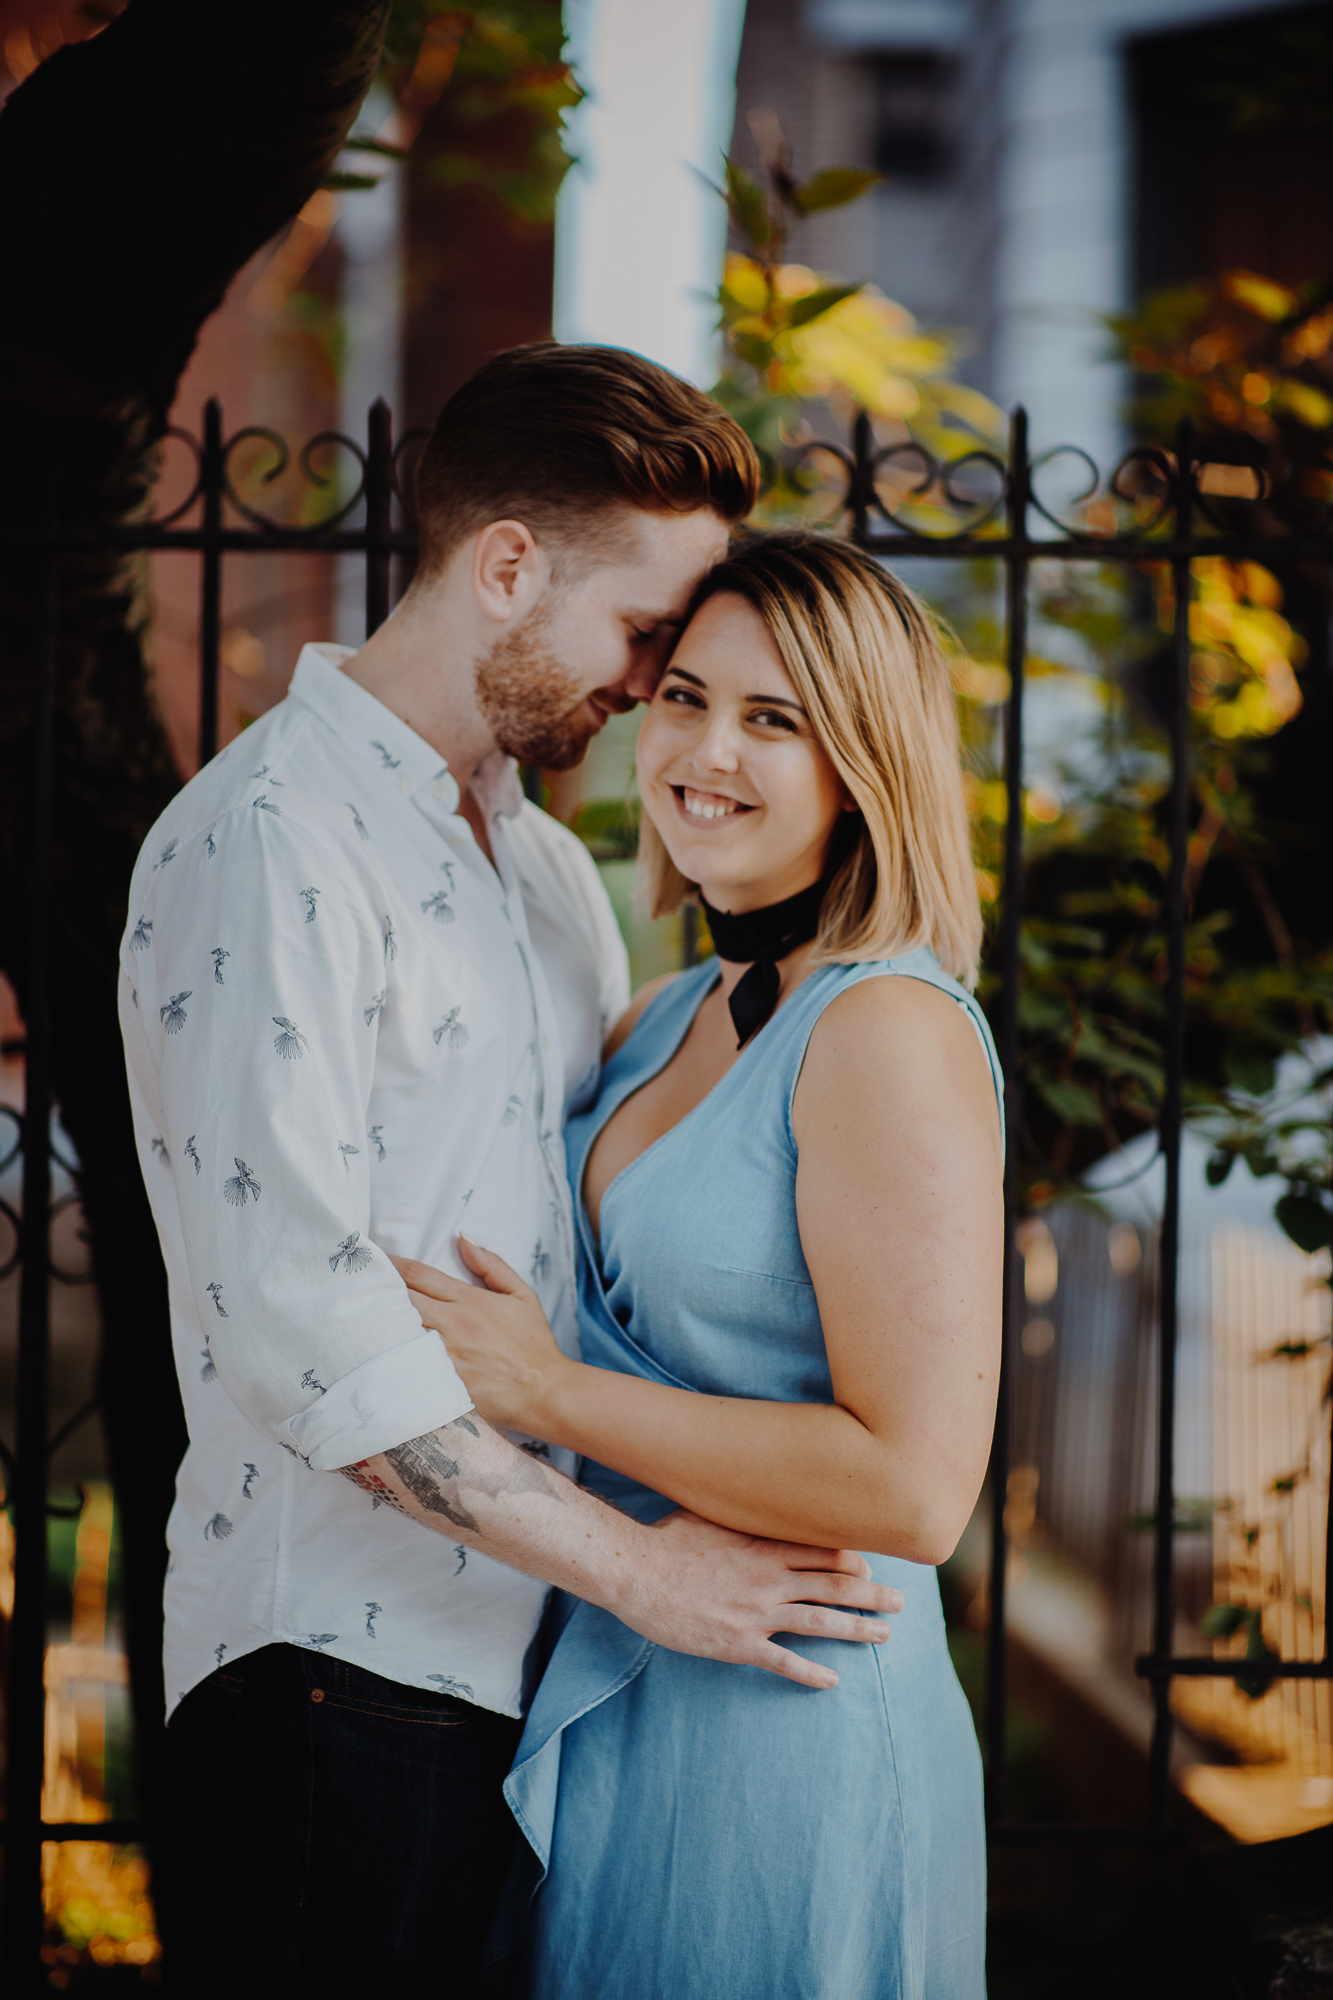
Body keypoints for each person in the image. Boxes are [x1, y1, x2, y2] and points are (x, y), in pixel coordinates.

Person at [118, 354, 903, 1997]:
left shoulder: (545, 868)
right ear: (505, 571)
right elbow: (300, 1331)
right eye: (646, 638)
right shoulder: (269, 836)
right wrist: (646, 1571)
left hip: (528, 1675)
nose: (652, 687)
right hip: (333, 1674)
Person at [398, 532, 1004, 2000]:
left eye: (773, 719)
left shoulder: (881, 1031)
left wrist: (549, 1386)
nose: (703, 750)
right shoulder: (669, 1012)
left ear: (862, 764)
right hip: (630, 1662)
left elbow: (916, 1489)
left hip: (788, 1718)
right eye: (683, 696)